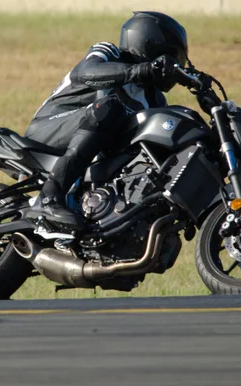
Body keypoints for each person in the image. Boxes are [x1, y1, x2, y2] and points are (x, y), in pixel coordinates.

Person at [25, 11, 189, 231]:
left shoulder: (154, 98)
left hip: (90, 149)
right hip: (49, 128)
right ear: (148, 44)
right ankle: (49, 197)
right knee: (110, 108)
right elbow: (87, 72)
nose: (173, 66)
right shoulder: (108, 52)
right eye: (171, 57)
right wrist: (139, 70)